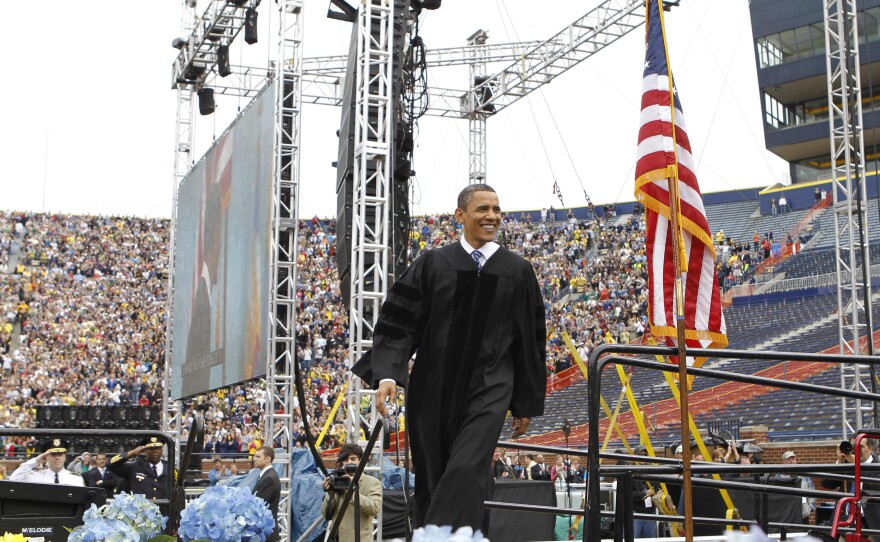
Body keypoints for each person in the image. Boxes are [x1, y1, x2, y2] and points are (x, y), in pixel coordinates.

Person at [352, 184, 547, 531]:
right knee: (433, 475)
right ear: (460, 215)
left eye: (496, 209)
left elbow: (529, 341)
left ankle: (436, 538)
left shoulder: (517, 271)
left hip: (490, 386)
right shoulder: (433, 264)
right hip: (433, 387)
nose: (492, 216)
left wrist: (525, 402)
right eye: (483, 209)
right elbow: (399, 323)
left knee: (467, 466)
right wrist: (388, 375)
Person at [321, 443, 382, 542]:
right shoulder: (337, 481)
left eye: (353, 459)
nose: (349, 462)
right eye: (345, 459)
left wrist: (350, 492)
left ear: (360, 461)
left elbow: (375, 508)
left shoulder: (372, 482)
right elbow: (326, 515)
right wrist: (330, 494)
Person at [108, 436, 172, 500]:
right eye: (151, 449)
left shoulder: (170, 468)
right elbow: (110, 465)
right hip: (141, 506)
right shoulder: (135, 467)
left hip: (164, 506)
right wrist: (132, 453)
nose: (155, 451)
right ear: (145, 451)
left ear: (162, 450)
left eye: (158, 448)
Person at [9, 439, 84, 486]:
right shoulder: (36, 476)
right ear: (46, 457)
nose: (57, 458)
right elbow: (13, 479)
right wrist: (35, 461)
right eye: (53, 454)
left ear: (65, 457)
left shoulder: (75, 478)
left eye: (60, 454)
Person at [253, 446, 281, 542]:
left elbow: (259, 505)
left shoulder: (269, 478)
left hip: (266, 534)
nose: (255, 459)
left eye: (258, 457)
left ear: (268, 459)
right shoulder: (266, 476)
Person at [781, 450, 815, 524]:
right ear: (783, 462)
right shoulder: (779, 477)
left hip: (803, 513)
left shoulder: (805, 476)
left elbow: (812, 491)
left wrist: (809, 508)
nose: (791, 462)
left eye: (793, 459)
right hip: (787, 515)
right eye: (788, 459)